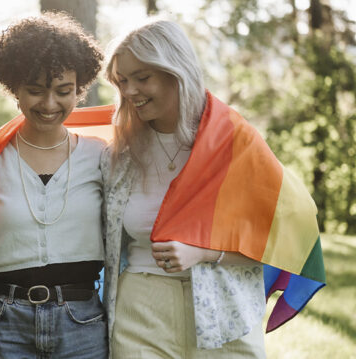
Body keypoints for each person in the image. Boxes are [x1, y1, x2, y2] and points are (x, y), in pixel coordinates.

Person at [101, 20, 323, 358]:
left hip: (223, 311)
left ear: (175, 71)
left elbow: (288, 231)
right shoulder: (121, 152)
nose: (130, 91)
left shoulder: (233, 143)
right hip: (140, 311)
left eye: (142, 78)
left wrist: (205, 253)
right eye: (122, 81)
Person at [0, 12, 109, 359]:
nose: (49, 105)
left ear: (79, 90)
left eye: (63, 91)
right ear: (14, 89)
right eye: (35, 91)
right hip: (4, 321)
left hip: (82, 321)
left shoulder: (101, 157)